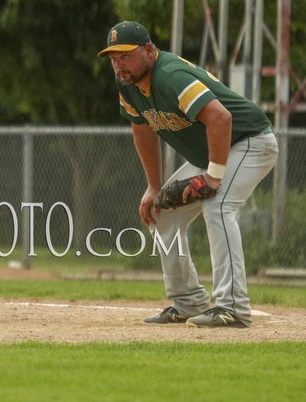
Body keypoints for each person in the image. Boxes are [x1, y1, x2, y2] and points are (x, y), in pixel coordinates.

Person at [100, 21, 278, 328]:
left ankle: (232, 308)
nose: (119, 64)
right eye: (114, 57)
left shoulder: (171, 77)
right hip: (214, 152)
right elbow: (142, 130)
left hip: (250, 140)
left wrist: (213, 178)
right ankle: (188, 302)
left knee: (218, 205)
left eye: (126, 55)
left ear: (149, 50)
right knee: (161, 213)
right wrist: (153, 186)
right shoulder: (127, 84)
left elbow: (221, 118)